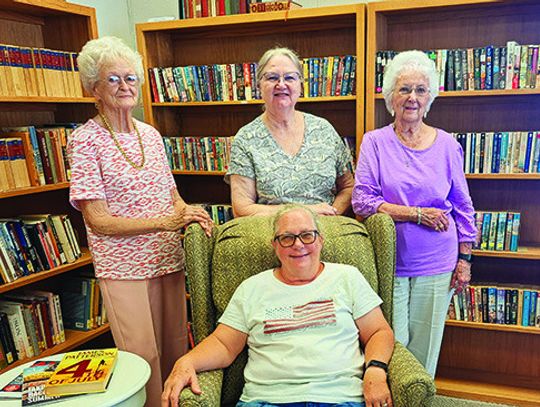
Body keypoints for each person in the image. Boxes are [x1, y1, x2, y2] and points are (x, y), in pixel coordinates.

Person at [68, 36, 213, 407]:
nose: (125, 86)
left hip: (166, 258)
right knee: (142, 356)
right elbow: (98, 220)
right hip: (123, 268)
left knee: (176, 347)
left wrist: (188, 212)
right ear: (94, 88)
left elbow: (171, 193)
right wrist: (166, 221)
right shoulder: (85, 140)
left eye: (131, 78)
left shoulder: (150, 134)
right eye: (113, 79)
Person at [162, 204, 395, 407]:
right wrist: (186, 361)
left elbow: (378, 331)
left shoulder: (347, 278)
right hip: (266, 399)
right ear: (275, 245)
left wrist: (376, 369)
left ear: (320, 240)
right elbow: (224, 344)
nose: (298, 245)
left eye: (307, 235)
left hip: (340, 396)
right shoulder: (252, 288)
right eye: (287, 238)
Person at [352, 50, 477, 377]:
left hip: (438, 260)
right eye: (404, 89)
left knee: (425, 345)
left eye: (421, 90)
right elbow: (362, 200)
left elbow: (462, 206)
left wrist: (465, 259)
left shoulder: (448, 145)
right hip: (389, 259)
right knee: (391, 340)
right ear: (391, 96)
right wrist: (415, 213)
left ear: (430, 97)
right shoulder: (375, 143)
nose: (412, 98)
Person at [226, 47, 354, 217]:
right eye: (272, 78)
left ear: (300, 85)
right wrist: (307, 213)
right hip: (271, 232)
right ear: (259, 86)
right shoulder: (245, 139)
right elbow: (242, 209)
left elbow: (348, 187)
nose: (281, 84)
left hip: (325, 228)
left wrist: (331, 215)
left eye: (289, 77)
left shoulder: (324, 129)